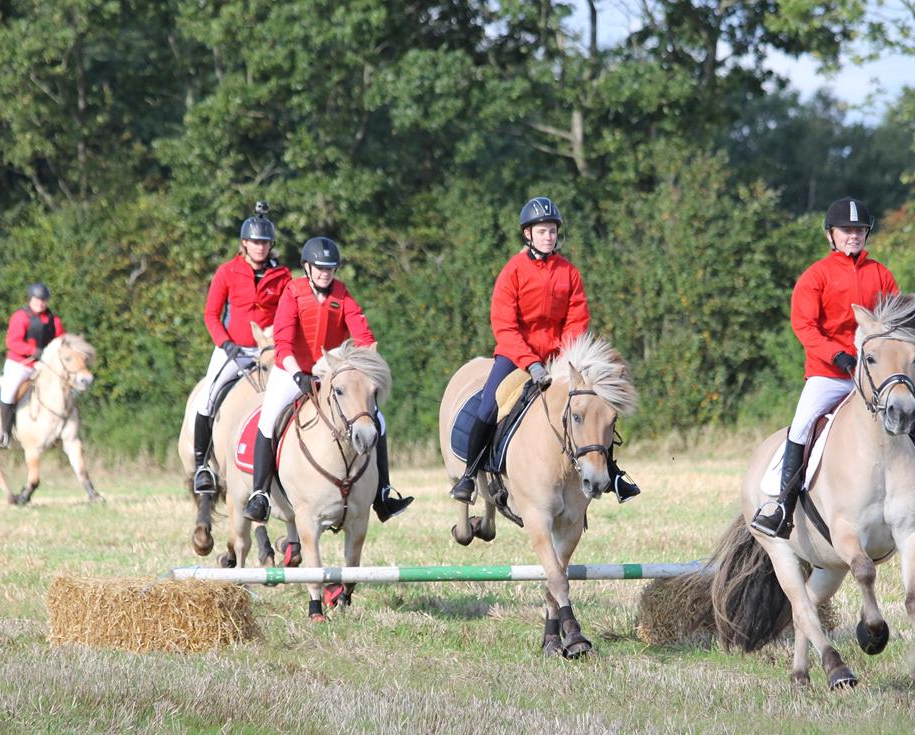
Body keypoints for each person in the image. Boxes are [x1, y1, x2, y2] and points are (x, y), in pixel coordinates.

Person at [750, 196, 915, 538]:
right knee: (802, 424)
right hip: (829, 374)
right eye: (846, 230)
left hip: (876, 379)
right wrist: (838, 355)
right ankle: (781, 508)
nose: (853, 236)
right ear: (830, 235)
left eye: (860, 230)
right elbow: (804, 326)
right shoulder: (815, 276)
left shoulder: (880, 273)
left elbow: (897, 325)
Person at [448, 197, 639, 504]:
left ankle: (612, 472)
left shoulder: (569, 273)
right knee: (487, 407)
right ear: (528, 235)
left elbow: (577, 318)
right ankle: (470, 475)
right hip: (516, 356)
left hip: (558, 358)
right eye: (542, 231)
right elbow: (504, 325)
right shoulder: (512, 271)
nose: (548, 236)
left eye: (551, 231)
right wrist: (531, 363)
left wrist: (563, 358)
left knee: (595, 405)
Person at [242, 236, 414, 523]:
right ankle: (260, 495)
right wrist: (298, 374)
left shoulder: (342, 295)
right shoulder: (292, 292)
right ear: (307, 267)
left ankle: (382, 493)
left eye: (330, 269)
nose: (325, 273)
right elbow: (283, 343)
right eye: (320, 268)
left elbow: (362, 332)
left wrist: (365, 353)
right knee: (269, 417)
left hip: (330, 371)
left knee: (377, 420)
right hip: (291, 369)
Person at [192, 202, 292, 494]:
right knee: (207, 398)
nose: (260, 247)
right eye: (255, 242)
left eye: (265, 242)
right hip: (232, 349)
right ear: (244, 243)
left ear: (271, 245)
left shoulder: (283, 276)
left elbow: (288, 313)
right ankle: (202, 466)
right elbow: (211, 314)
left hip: (270, 351)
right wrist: (225, 344)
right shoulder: (227, 272)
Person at [0, 282, 65, 447]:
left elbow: (61, 340)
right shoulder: (20, 317)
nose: (40, 303)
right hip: (20, 364)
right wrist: (32, 350)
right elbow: (12, 342)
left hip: (43, 365)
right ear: (30, 299)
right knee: (8, 392)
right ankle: (4, 433)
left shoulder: (54, 320)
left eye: (43, 300)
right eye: (37, 299)